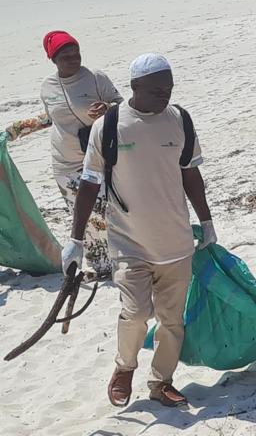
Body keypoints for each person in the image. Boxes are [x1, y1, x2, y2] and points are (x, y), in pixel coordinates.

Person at [66, 53, 216, 408]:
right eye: (155, 90)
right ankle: (124, 368)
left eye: (168, 89)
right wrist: (75, 241)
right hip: (129, 242)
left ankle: (161, 382)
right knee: (135, 313)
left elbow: (190, 174)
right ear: (134, 87)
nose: (164, 96)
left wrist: (207, 221)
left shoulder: (180, 120)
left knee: (171, 320)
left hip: (176, 242)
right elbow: (89, 184)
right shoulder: (110, 125)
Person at [40, 30, 122, 278]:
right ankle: (102, 268)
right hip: (64, 162)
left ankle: (119, 261)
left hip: (96, 158)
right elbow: (50, 118)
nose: (74, 59)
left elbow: (122, 105)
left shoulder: (95, 78)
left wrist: (107, 108)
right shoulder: (47, 87)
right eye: (66, 57)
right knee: (83, 220)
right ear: (53, 59)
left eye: (76, 54)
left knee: (105, 211)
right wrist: (16, 130)